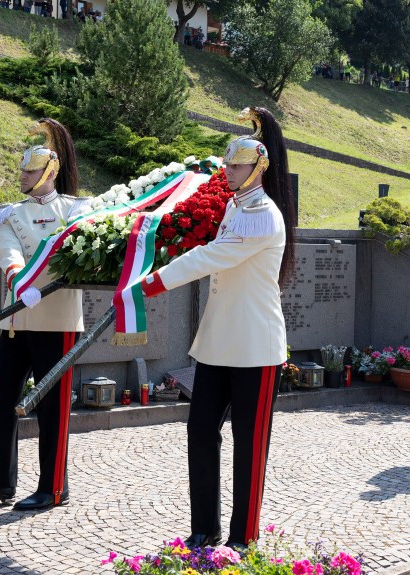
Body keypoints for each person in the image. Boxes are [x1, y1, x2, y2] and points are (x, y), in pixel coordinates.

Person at [139, 107, 296, 551]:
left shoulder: (263, 214)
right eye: (228, 164)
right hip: (217, 343)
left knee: (250, 445)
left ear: (259, 168)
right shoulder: (233, 206)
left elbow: (213, 256)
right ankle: (203, 528)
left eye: (238, 165)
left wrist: (154, 281)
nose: (228, 170)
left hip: (255, 346)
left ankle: (243, 537)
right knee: (200, 431)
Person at [0, 119, 91, 510]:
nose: (22, 176)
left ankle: (53, 487)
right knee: (2, 401)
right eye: (22, 170)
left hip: (58, 321)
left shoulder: (77, 210)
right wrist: (19, 283)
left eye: (30, 171)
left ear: (49, 172)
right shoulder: (9, 214)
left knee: (53, 408)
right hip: (17, 320)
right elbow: (9, 253)